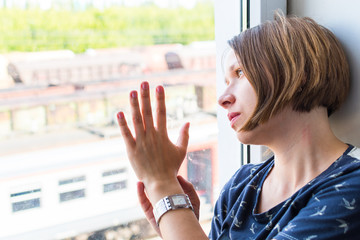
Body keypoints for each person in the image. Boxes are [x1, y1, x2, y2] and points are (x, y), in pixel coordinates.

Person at [117, 12, 360, 240]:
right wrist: (177, 220)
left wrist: (163, 187)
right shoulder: (241, 184)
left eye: (240, 72)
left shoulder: (352, 186)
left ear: (299, 74)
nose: (222, 98)